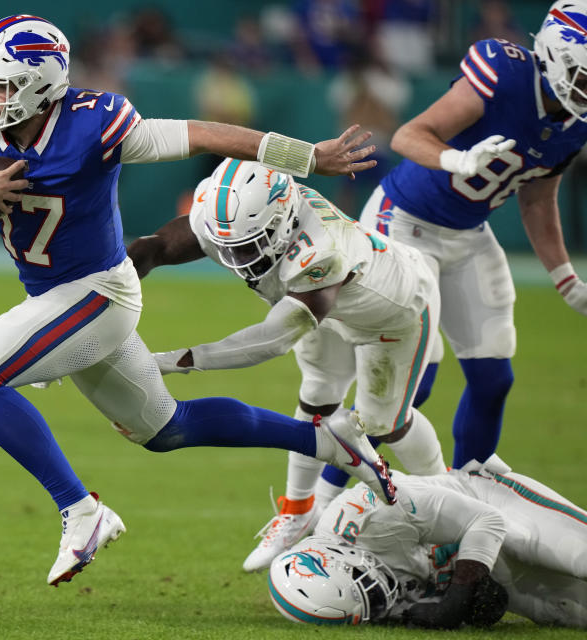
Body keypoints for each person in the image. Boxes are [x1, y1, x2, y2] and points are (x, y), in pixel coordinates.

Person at [0, 14, 392, 587]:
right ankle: (329, 441)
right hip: (56, 296)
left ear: (39, 85)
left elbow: (203, 134)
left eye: (1, 84)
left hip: (97, 293)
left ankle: (81, 511)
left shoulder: (93, 125)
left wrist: (306, 157)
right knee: (167, 429)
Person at [127, 159, 446, 574]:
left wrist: (170, 362)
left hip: (393, 311)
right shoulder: (227, 218)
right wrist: (101, 294)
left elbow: (271, 340)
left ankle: (448, 498)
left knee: (384, 424)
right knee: (317, 395)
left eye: (247, 243)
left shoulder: (320, 250)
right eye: (228, 244)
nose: (234, 255)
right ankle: (297, 511)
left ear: (283, 221)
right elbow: (155, 248)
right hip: (324, 305)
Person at [357, 1, 587, 470]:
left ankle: (468, 501)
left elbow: (539, 199)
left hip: (467, 233)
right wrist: (455, 159)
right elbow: (408, 135)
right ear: (558, 57)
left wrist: (566, 279)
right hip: (403, 221)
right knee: (412, 382)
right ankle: (325, 501)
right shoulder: (504, 72)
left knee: (493, 378)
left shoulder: (574, 124)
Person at [268, 456, 587, 629]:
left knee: (576, 556)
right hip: (484, 561)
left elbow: (487, 521)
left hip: (491, 502)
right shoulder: (364, 598)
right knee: (572, 614)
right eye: (373, 601)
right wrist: (473, 606)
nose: (383, 596)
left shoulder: (376, 512)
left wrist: (460, 593)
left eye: (365, 583)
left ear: (340, 556)